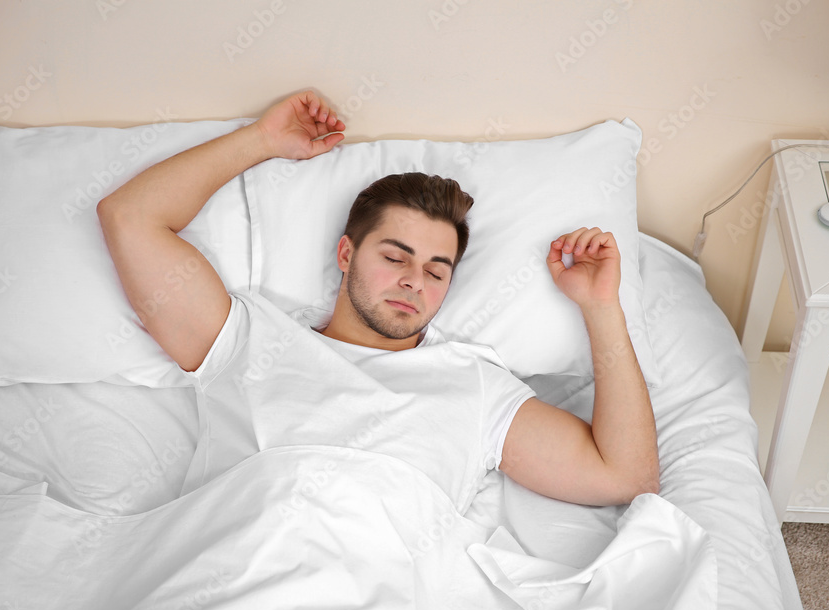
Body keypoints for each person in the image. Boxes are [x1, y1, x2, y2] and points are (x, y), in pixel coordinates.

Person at [97, 90, 658, 511]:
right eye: (395, 257)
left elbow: (626, 479)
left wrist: (600, 306)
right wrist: (262, 140)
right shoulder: (248, 339)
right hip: (231, 560)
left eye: (437, 270)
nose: (416, 280)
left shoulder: (473, 385)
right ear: (346, 255)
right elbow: (130, 217)